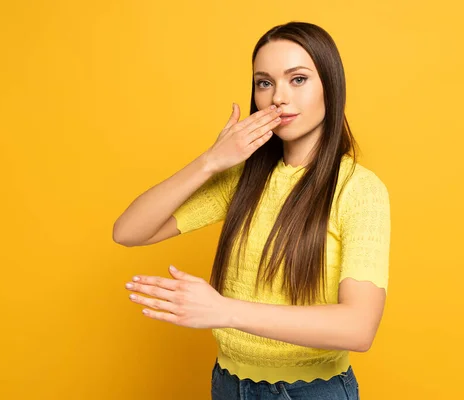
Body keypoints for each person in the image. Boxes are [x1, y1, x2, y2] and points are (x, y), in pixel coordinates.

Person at [113, 21, 389, 400]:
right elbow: (128, 231)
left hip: (310, 391)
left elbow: (358, 328)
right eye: (265, 82)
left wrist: (223, 311)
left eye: (298, 80)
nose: (278, 97)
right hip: (229, 384)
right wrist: (209, 161)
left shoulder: (358, 189)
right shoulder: (245, 178)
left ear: (331, 85)